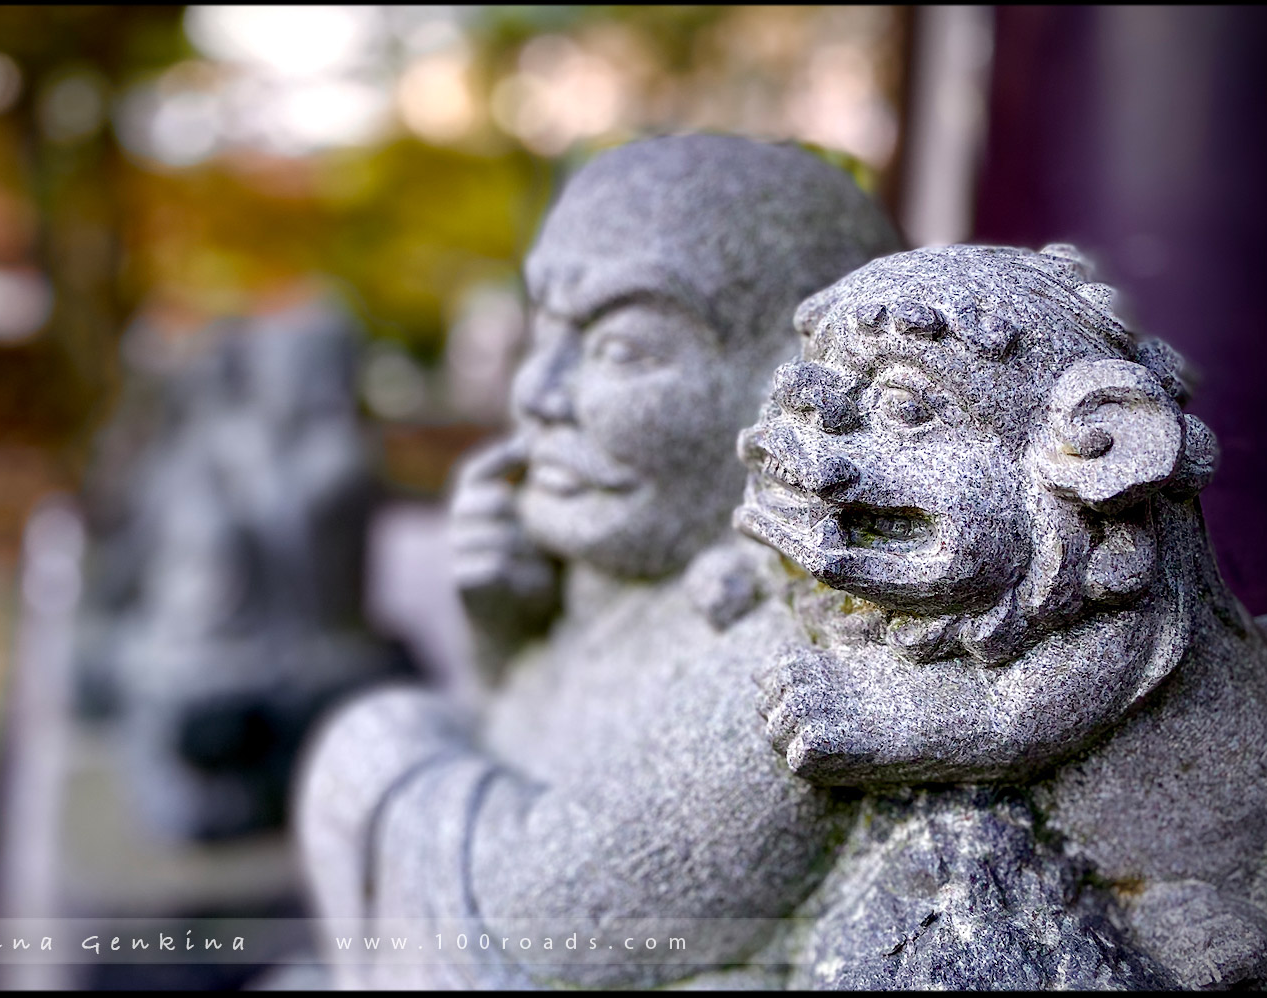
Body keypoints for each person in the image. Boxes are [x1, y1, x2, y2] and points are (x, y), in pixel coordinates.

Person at [295, 134, 902, 989]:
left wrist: (376, 763)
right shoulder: (622, 580)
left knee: (376, 736)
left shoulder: (799, 664)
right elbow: (534, 742)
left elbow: (538, 933)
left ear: (800, 386)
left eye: (624, 349)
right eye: (545, 329)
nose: (538, 394)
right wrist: (507, 631)